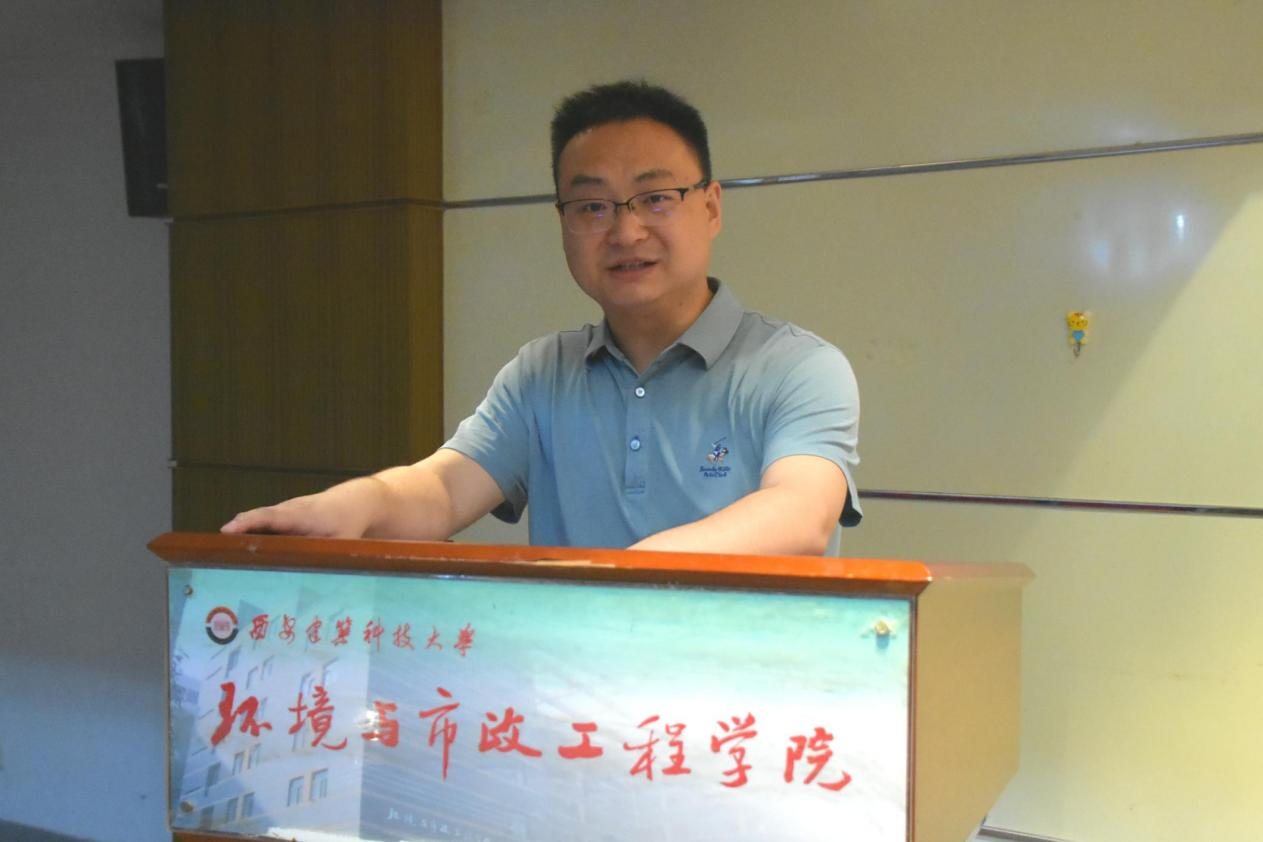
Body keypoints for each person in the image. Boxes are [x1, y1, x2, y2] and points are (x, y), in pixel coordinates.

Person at [222, 80, 861, 555]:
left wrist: (620, 578)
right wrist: (352, 504)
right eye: (592, 207)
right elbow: (442, 492)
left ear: (712, 207)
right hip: (573, 690)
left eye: (655, 198)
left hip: (745, 691)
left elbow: (800, 514)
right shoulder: (542, 374)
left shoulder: (796, 368)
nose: (626, 231)